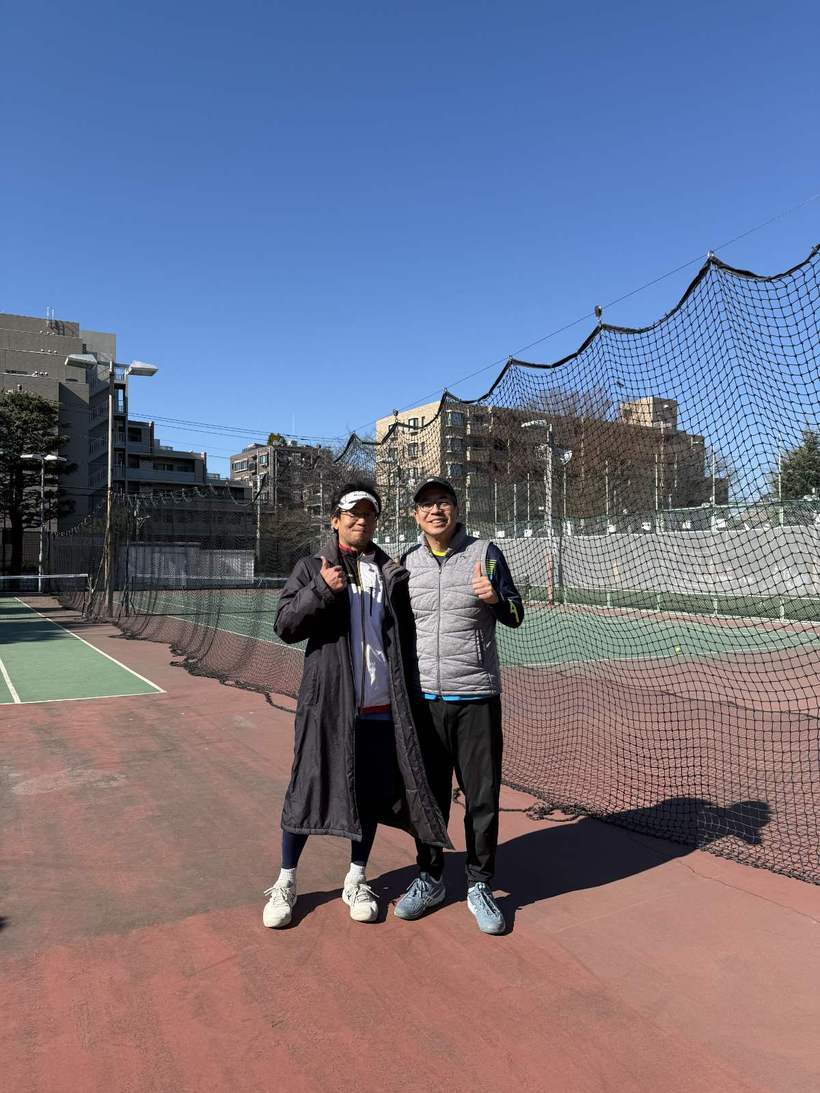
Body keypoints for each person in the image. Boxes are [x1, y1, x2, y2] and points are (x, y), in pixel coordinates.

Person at [262, 480, 450, 929]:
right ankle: (286, 881)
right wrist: (321, 590)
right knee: (307, 787)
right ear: (335, 520)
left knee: (368, 794)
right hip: (328, 706)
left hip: (382, 708)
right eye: (352, 513)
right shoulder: (313, 567)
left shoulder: (390, 571)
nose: (361, 520)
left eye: (369, 513)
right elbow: (285, 626)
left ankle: (357, 878)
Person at [394, 477, 523, 934]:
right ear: (416, 515)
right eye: (427, 504)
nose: (436, 510)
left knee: (481, 798)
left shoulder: (486, 553)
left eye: (443, 502)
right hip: (424, 701)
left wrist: (497, 599)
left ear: (456, 509)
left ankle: (479, 884)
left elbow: (516, 614)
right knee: (426, 797)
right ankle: (430, 878)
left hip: (476, 697)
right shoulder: (405, 563)